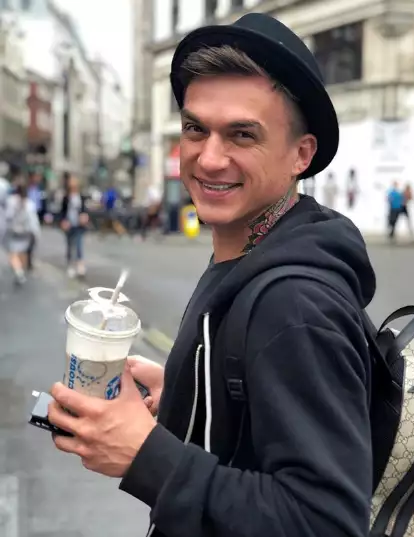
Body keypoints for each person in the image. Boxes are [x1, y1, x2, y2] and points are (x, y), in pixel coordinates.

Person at [48, 13, 376, 537]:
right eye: (195, 129)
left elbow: (325, 522)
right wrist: (189, 391)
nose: (209, 158)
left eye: (242, 135)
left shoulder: (295, 304)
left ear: (301, 154)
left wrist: (146, 456)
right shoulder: (251, 249)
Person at [4, 183, 40, 284]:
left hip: (14, 231)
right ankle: (21, 271)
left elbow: (7, 216)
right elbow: (33, 220)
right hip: (26, 232)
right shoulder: (30, 204)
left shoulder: (11, 201)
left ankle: (18, 272)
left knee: (13, 254)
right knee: (22, 252)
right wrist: (36, 233)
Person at [60, 175, 88, 278]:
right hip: (69, 224)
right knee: (69, 246)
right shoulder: (66, 197)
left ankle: (80, 266)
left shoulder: (81, 197)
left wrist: (84, 216)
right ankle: (70, 265)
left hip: (79, 224)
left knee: (79, 245)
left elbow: (84, 210)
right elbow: (63, 211)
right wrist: (63, 221)